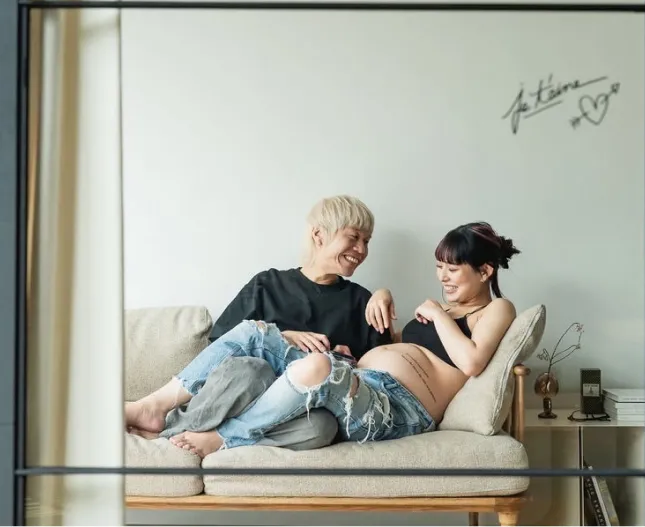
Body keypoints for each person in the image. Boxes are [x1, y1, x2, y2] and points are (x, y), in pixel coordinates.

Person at [165, 221, 520, 457]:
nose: (442, 277)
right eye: (439, 267)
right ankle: (157, 406)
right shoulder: (442, 311)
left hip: (400, 409)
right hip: (361, 379)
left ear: (484, 271)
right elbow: (398, 347)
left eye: (452, 269)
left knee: (316, 370)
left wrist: (438, 314)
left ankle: (224, 437)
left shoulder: (497, 308)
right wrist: (381, 297)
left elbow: (472, 361)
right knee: (254, 334)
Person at [125, 195, 393, 449]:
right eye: (353, 237)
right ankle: (163, 418)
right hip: (247, 391)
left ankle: (211, 436)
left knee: (322, 427)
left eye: (366, 241)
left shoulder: (363, 301)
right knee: (251, 371)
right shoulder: (267, 284)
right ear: (319, 235)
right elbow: (221, 347)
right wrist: (282, 338)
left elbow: (381, 376)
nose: (361, 249)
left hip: (296, 409)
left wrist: (383, 297)